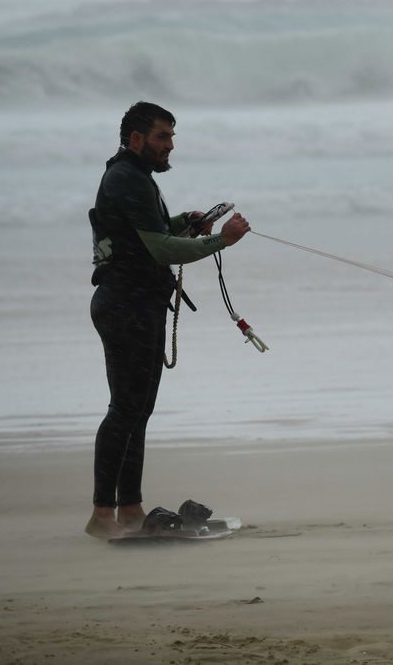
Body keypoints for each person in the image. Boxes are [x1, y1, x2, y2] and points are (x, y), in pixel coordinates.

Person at [84, 102, 251, 540]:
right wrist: (221, 240)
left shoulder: (134, 177)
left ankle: (131, 508)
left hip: (137, 303)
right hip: (126, 304)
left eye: (172, 137)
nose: (169, 146)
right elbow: (160, 249)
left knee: (138, 410)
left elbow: (148, 234)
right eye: (162, 137)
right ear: (136, 139)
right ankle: (103, 515)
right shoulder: (127, 178)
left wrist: (186, 222)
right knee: (125, 409)